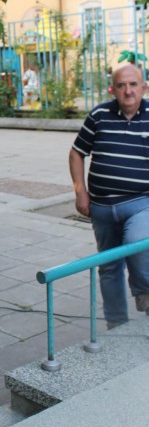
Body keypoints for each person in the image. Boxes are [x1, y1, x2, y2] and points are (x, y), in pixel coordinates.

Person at [69, 62, 149, 328]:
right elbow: (76, 153)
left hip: (140, 203)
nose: (128, 91)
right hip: (102, 207)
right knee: (109, 266)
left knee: (138, 241)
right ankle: (116, 325)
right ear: (112, 89)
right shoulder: (99, 114)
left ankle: (144, 292)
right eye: (121, 85)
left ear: (144, 87)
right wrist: (80, 190)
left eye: (133, 84)